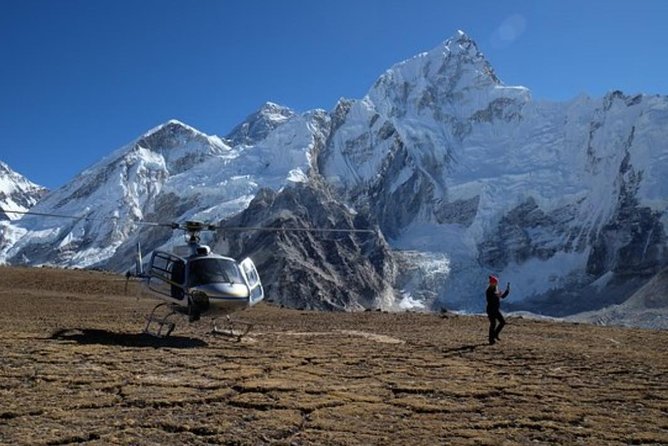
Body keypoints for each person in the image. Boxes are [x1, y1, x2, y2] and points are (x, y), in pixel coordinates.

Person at [486, 275, 510, 345]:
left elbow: (502, 296)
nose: (497, 284)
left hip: (495, 310)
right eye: (495, 282)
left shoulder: (495, 289)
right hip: (491, 310)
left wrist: (507, 290)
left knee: (502, 322)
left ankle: (495, 335)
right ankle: (491, 340)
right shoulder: (489, 290)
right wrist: (496, 295)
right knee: (493, 324)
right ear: (492, 283)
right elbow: (490, 300)